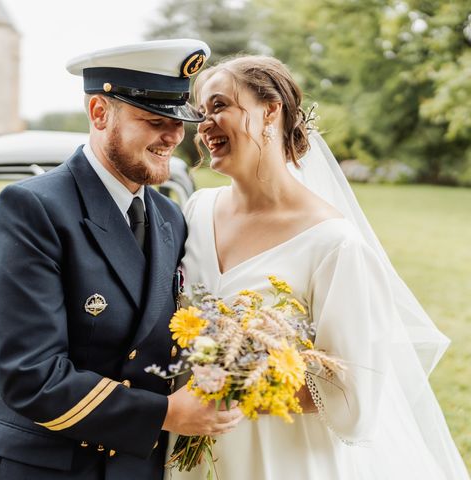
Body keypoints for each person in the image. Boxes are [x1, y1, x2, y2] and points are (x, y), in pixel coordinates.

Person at [170, 55, 469, 479]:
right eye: (201, 113)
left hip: (281, 457)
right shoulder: (197, 211)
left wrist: (237, 383)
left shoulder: (334, 244)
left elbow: (353, 396)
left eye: (219, 106)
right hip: (194, 452)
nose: (204, 125)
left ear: (270, 110)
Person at [0, 39, 244, 480]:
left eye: (178, 121)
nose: (173, 136)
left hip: (135, 468)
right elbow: (30, 374)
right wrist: (166, 414)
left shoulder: (170, 217)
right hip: (45, 468)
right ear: (99, 113)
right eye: (154, 120)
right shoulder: (33, 209)